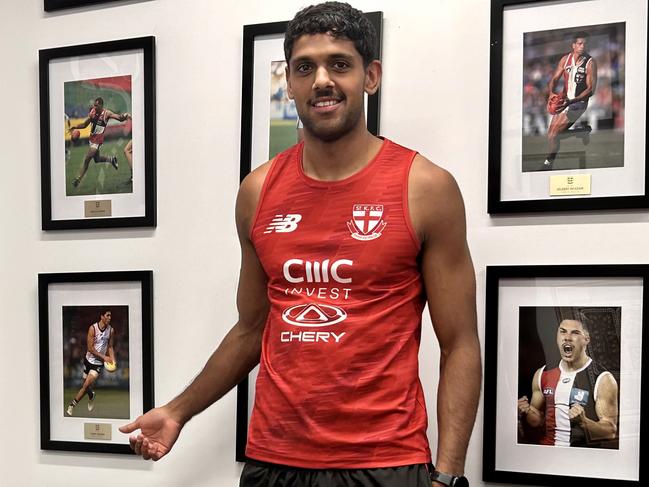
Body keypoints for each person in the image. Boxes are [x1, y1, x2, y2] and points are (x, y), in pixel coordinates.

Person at [120, 3, 481, 486]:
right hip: (274, 462)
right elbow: (251, 329)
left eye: (340, 64)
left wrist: (450, 473)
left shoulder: (425, 187)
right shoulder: (257, 191)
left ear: (370, 76)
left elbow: (459, 343)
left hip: (384, 462)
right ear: (287, 83)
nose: (322, 81)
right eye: (305, 67)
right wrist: (178, 411)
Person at [517, 317, 618, 448]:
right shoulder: (542, 373)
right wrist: (525, 410)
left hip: (580, 456)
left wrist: (583, 422)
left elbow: (610, 432)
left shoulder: (602, 378)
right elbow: (536, 421)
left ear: (586, 339)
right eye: (563, 331)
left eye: (575, 333)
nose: (567, 337)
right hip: (547, 452)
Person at [543, 32, 598, 169]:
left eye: (585, 43)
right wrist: (550, 93)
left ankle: (548, 164)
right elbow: (555, 78)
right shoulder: (565, 60)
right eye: (579, 43)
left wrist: (572, 101)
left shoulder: (590, 63)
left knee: (554, 134)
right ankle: (581, 132)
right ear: (573, 45)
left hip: (578, 103)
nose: (582, 46)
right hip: (565, 100)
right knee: (551, 135)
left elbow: (591, 90)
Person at [68, 97, 131, 188]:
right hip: (92, 139)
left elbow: (119, 118)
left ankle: (78, 179)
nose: (94, 106)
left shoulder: (106, 113)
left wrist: (126, 115)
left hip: (98, 141)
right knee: (96, 159)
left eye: (96, 105)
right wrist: (75, 127)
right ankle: (111, 159)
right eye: (94, 105)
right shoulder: (93, 112)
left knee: (87, 158)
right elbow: (85, 124)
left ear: (101, 105)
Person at [66, 309, 116, 416]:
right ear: (102, 316)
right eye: (107, 315)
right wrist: (105, 357)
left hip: (97, 364)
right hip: (88, 360)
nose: (109, 318)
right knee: (85, 385)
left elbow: (110, 347)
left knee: (85, 385)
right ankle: (91, 395)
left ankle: (71, 405)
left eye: (110, 316)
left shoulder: (111, 330)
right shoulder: (93, 328)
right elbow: (90, 348)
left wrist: (113, 360)